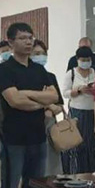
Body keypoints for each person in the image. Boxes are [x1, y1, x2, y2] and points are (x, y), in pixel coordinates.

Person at [0, 22, 60, 188]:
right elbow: (14, 101)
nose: (29, 42)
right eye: (23, 38)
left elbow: (53, 97)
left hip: (38, 139)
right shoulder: (4, 69)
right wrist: (40, 101)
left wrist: (28, 95)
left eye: (30, 37)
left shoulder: (39, 70)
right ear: (11, 42)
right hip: (13, 141)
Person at [62, 46, 95, 173]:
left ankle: (94, 172)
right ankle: (77, 172)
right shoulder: (71, 74)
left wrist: (94, 90)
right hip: (77, 113)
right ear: (77, 60)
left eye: (88, 59)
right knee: (77, 144)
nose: (85, 62)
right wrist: (78, 90)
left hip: (93, 113)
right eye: (83, 60)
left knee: (93, 144)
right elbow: (65, 93)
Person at [31, 39, 64, 175]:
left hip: (50, 125)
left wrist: (51, 107)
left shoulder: (50, 77)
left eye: (43, 53)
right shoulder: (26, 78)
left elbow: (59, 105)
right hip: (32, 124)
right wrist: (48, 104)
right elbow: (25, 100)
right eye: (36, 53)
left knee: (52, 164)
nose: (41, 56)